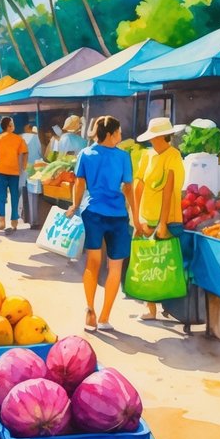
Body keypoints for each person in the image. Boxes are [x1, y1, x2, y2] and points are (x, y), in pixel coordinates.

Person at [67, 116, 141, 333]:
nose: (121, 136)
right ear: (110, 134)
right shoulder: (123, 157)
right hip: (117, 216)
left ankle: (90, 309)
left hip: (93, 213)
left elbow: (79, 183)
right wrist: (136, 218)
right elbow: (128, 188)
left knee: (92, 263)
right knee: (115, 267)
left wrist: (74, 205)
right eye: (119, 132)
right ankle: (104, 317)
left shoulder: (85, 154)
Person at [133, 117, 187, 320]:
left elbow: (168, 190)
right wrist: (136, 218)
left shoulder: (174, 155)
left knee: (165, 263)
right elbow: (138, 186)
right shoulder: (146, 155)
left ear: (163, 137)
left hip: (168, 218)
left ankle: (170, 308)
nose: (152, 140)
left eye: (154, 137)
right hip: (146, 218)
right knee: (148, 264)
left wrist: (163, 223)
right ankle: (151, 308)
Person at [0, 116, 28, 233]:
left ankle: (2, 221)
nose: (14, 126)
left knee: (0, 196)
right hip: (14, 172)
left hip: (1, 171)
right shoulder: (18, 139)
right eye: (12, 124)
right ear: (9, 126)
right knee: (14, 196)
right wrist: (23, 166)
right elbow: (25, 152)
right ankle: (14, 221)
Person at [20, 123, 43, 224]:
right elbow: (40, 152)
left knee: (21, 193)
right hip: (34, 168)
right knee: (32, 195)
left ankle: (23, 216)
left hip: (21, 168)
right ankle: (33, 221)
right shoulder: (36, 138)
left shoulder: (20, 137)